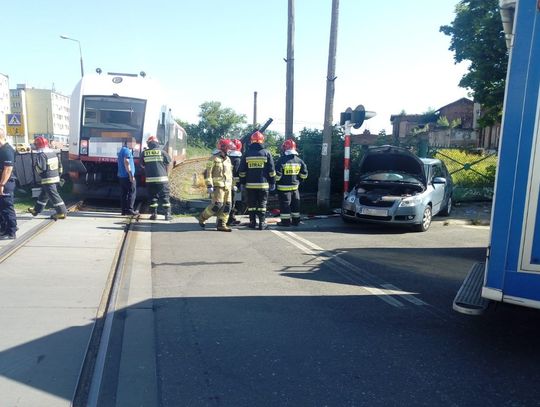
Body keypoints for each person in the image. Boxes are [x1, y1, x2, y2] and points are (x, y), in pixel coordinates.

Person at [238, 131, 276, 230]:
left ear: (252, 141)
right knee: (262, 204)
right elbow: (272, 171)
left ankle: (252, 222)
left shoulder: (247, 154)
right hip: (263, 185)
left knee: (252, 205)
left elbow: (242, 171)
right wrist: (272, 182)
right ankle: (262, 223)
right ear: (262, 141)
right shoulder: (266, 153)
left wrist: (242, 182)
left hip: (250, 185)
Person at [27, 136, 67, 220]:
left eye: (35, 144)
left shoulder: (41, 155)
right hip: (55, 178)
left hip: (48, 179)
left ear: (38, 145)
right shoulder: (52, 153)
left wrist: (35, 166)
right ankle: (36, 210)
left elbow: (41, 169)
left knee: (54, 196)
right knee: (44, 195)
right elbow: (60, 166)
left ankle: (61, 212)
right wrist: (58, 175)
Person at [198, 138, 234, 232]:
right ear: (223, 148)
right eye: (228, 148)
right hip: (217, 187)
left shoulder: (228, 160)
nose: (230, 150)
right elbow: (207, 173)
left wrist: (233, 185)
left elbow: (230, 174)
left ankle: (221, 224)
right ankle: (202, 218)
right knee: (217, 205)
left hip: (228, 187)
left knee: (227, 206)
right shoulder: (213, 159)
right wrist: (209, 185)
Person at [275, 139, 308, 226]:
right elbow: (304, 175)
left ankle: (285, 222)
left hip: (283, 188)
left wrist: (275, 182)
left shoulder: (281, 160)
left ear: (285, 148)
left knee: (285, 205)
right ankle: (296, 221)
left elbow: (277, 176)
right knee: (295, 204)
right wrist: (298, 181)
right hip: (295, 188)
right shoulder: (299, 161)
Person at [141, 135, 172, 221]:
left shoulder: (144, 153)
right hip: (162, 180)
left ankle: (154, 215)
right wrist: (167, 175)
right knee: (165, 197)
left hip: (150, 180)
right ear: (157, 143)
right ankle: (167, 215)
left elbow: (142, 165)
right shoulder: (163, 152)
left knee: (153, 198)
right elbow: (168, 163)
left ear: (149, 144)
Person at [0, 129, 17, 240]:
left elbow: (8, 169)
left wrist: (1, 185)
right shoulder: (2, 149)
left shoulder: (7, 150)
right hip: (3, 183)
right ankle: (5, 229)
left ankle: (11, 231)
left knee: (7, 207)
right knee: (2, 208)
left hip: (6, 183)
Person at [117, 140, 138, 216]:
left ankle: (123, 211)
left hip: (121, 176)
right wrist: (130, 175)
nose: (134, 145)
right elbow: (127, 162)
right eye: (134, 143)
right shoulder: (127, 151)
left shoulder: (122, 150)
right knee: (132, 192)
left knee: (124, 193)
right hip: (127, 175)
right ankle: (130, 209)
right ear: (129, 142)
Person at [226, 138, 243, 226]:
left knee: (229, 201)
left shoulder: (227, 157)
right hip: (233, 184)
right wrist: (238, 185)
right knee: (232, 202)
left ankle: (231, 218)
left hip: (226, 183)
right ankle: (229, 220)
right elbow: (237, 174)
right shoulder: (238, 159)